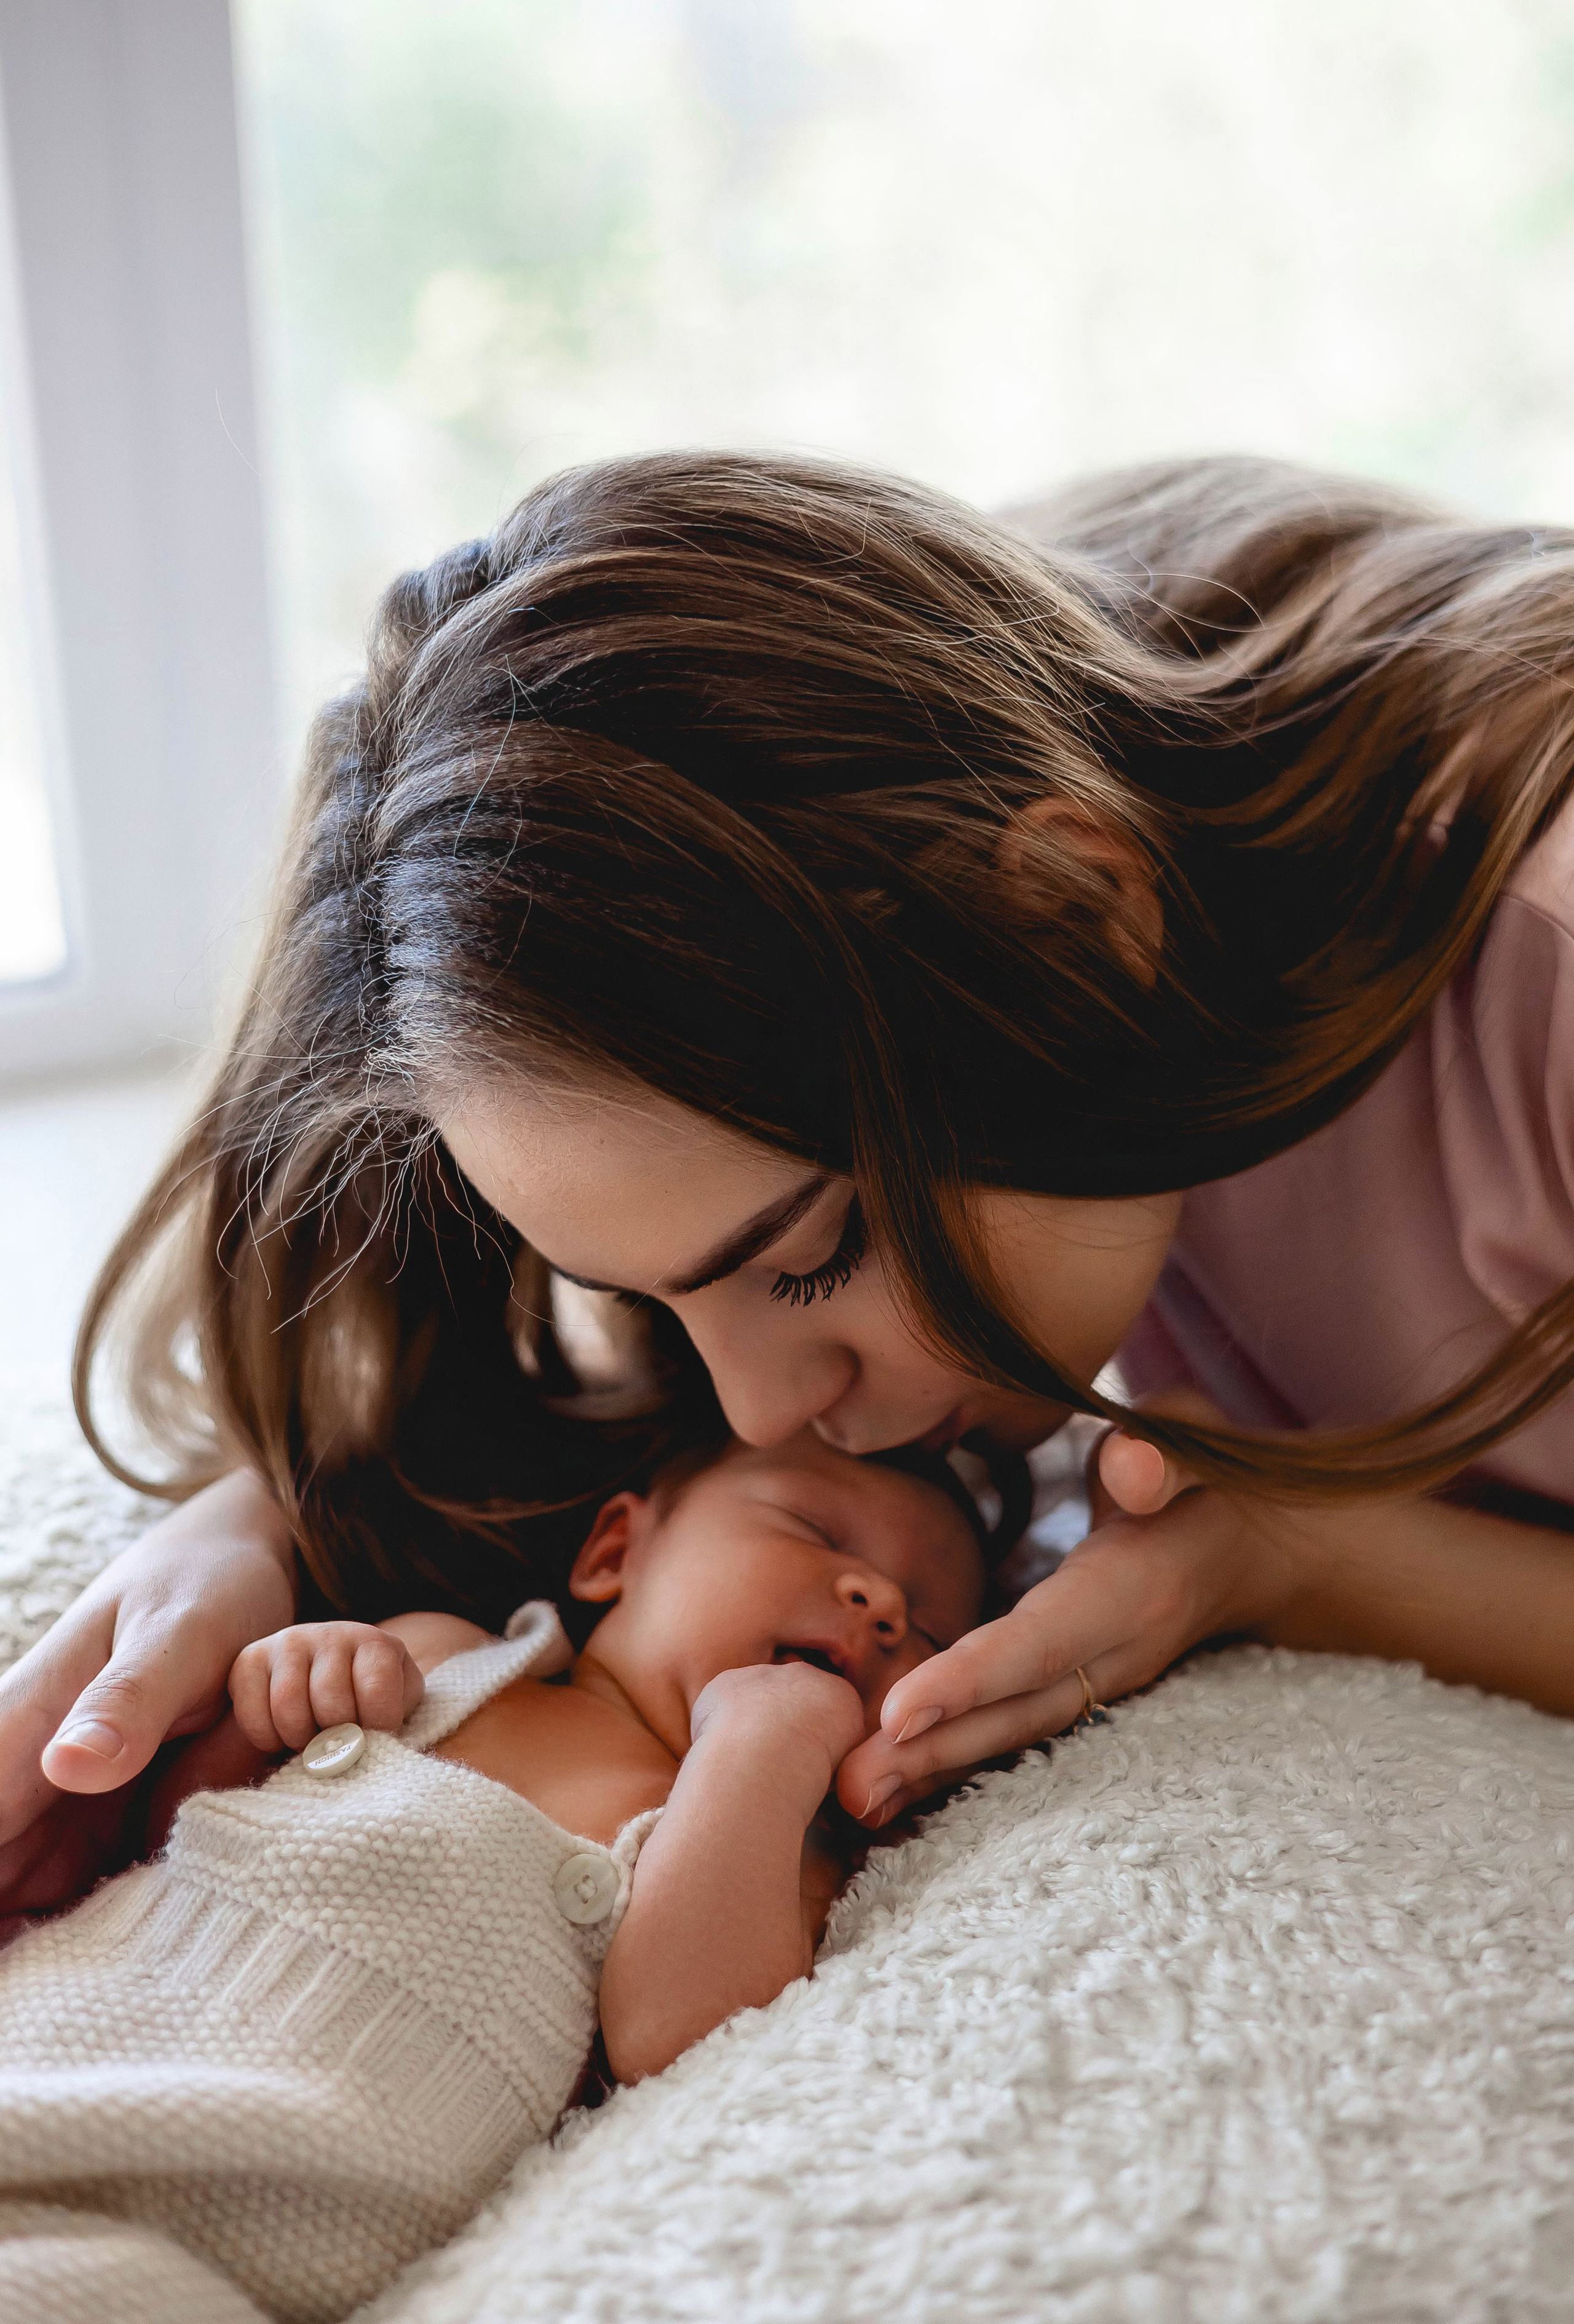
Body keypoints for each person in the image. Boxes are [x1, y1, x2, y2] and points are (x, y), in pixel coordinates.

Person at [4, 447, 1574, 1889]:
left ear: (1081, 916)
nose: (759, 1410)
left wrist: (1299, 1559)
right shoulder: (902, 807)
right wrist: (260, 1522)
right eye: (656, 1300)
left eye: (811, 1256)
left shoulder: (1533, 953)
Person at [0, 1432, 987, 2323]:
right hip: (69, 2026)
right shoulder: (438, 1660)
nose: (885, 1604)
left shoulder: (782, 1854)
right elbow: (176, 1831)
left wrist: (762, 1753)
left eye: (934, 1631)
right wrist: (287, 1684)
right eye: (813, 1530)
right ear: (614, 1553)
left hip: (241, 2234)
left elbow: (680, 2038)